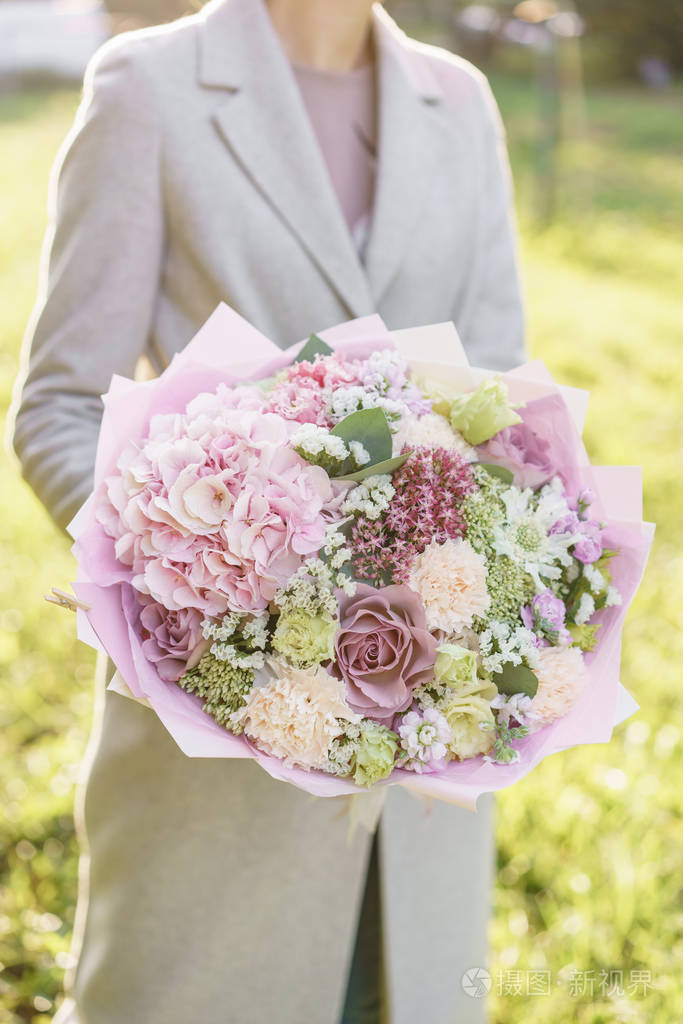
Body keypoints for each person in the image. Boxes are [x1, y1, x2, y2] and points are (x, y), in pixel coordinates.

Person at [11, 0, 526, 1020]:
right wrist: (198, 604)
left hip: (424, 768)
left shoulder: (459, 102)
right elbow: (61, 409)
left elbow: (503, 405)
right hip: (214, 753)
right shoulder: (146, 85)